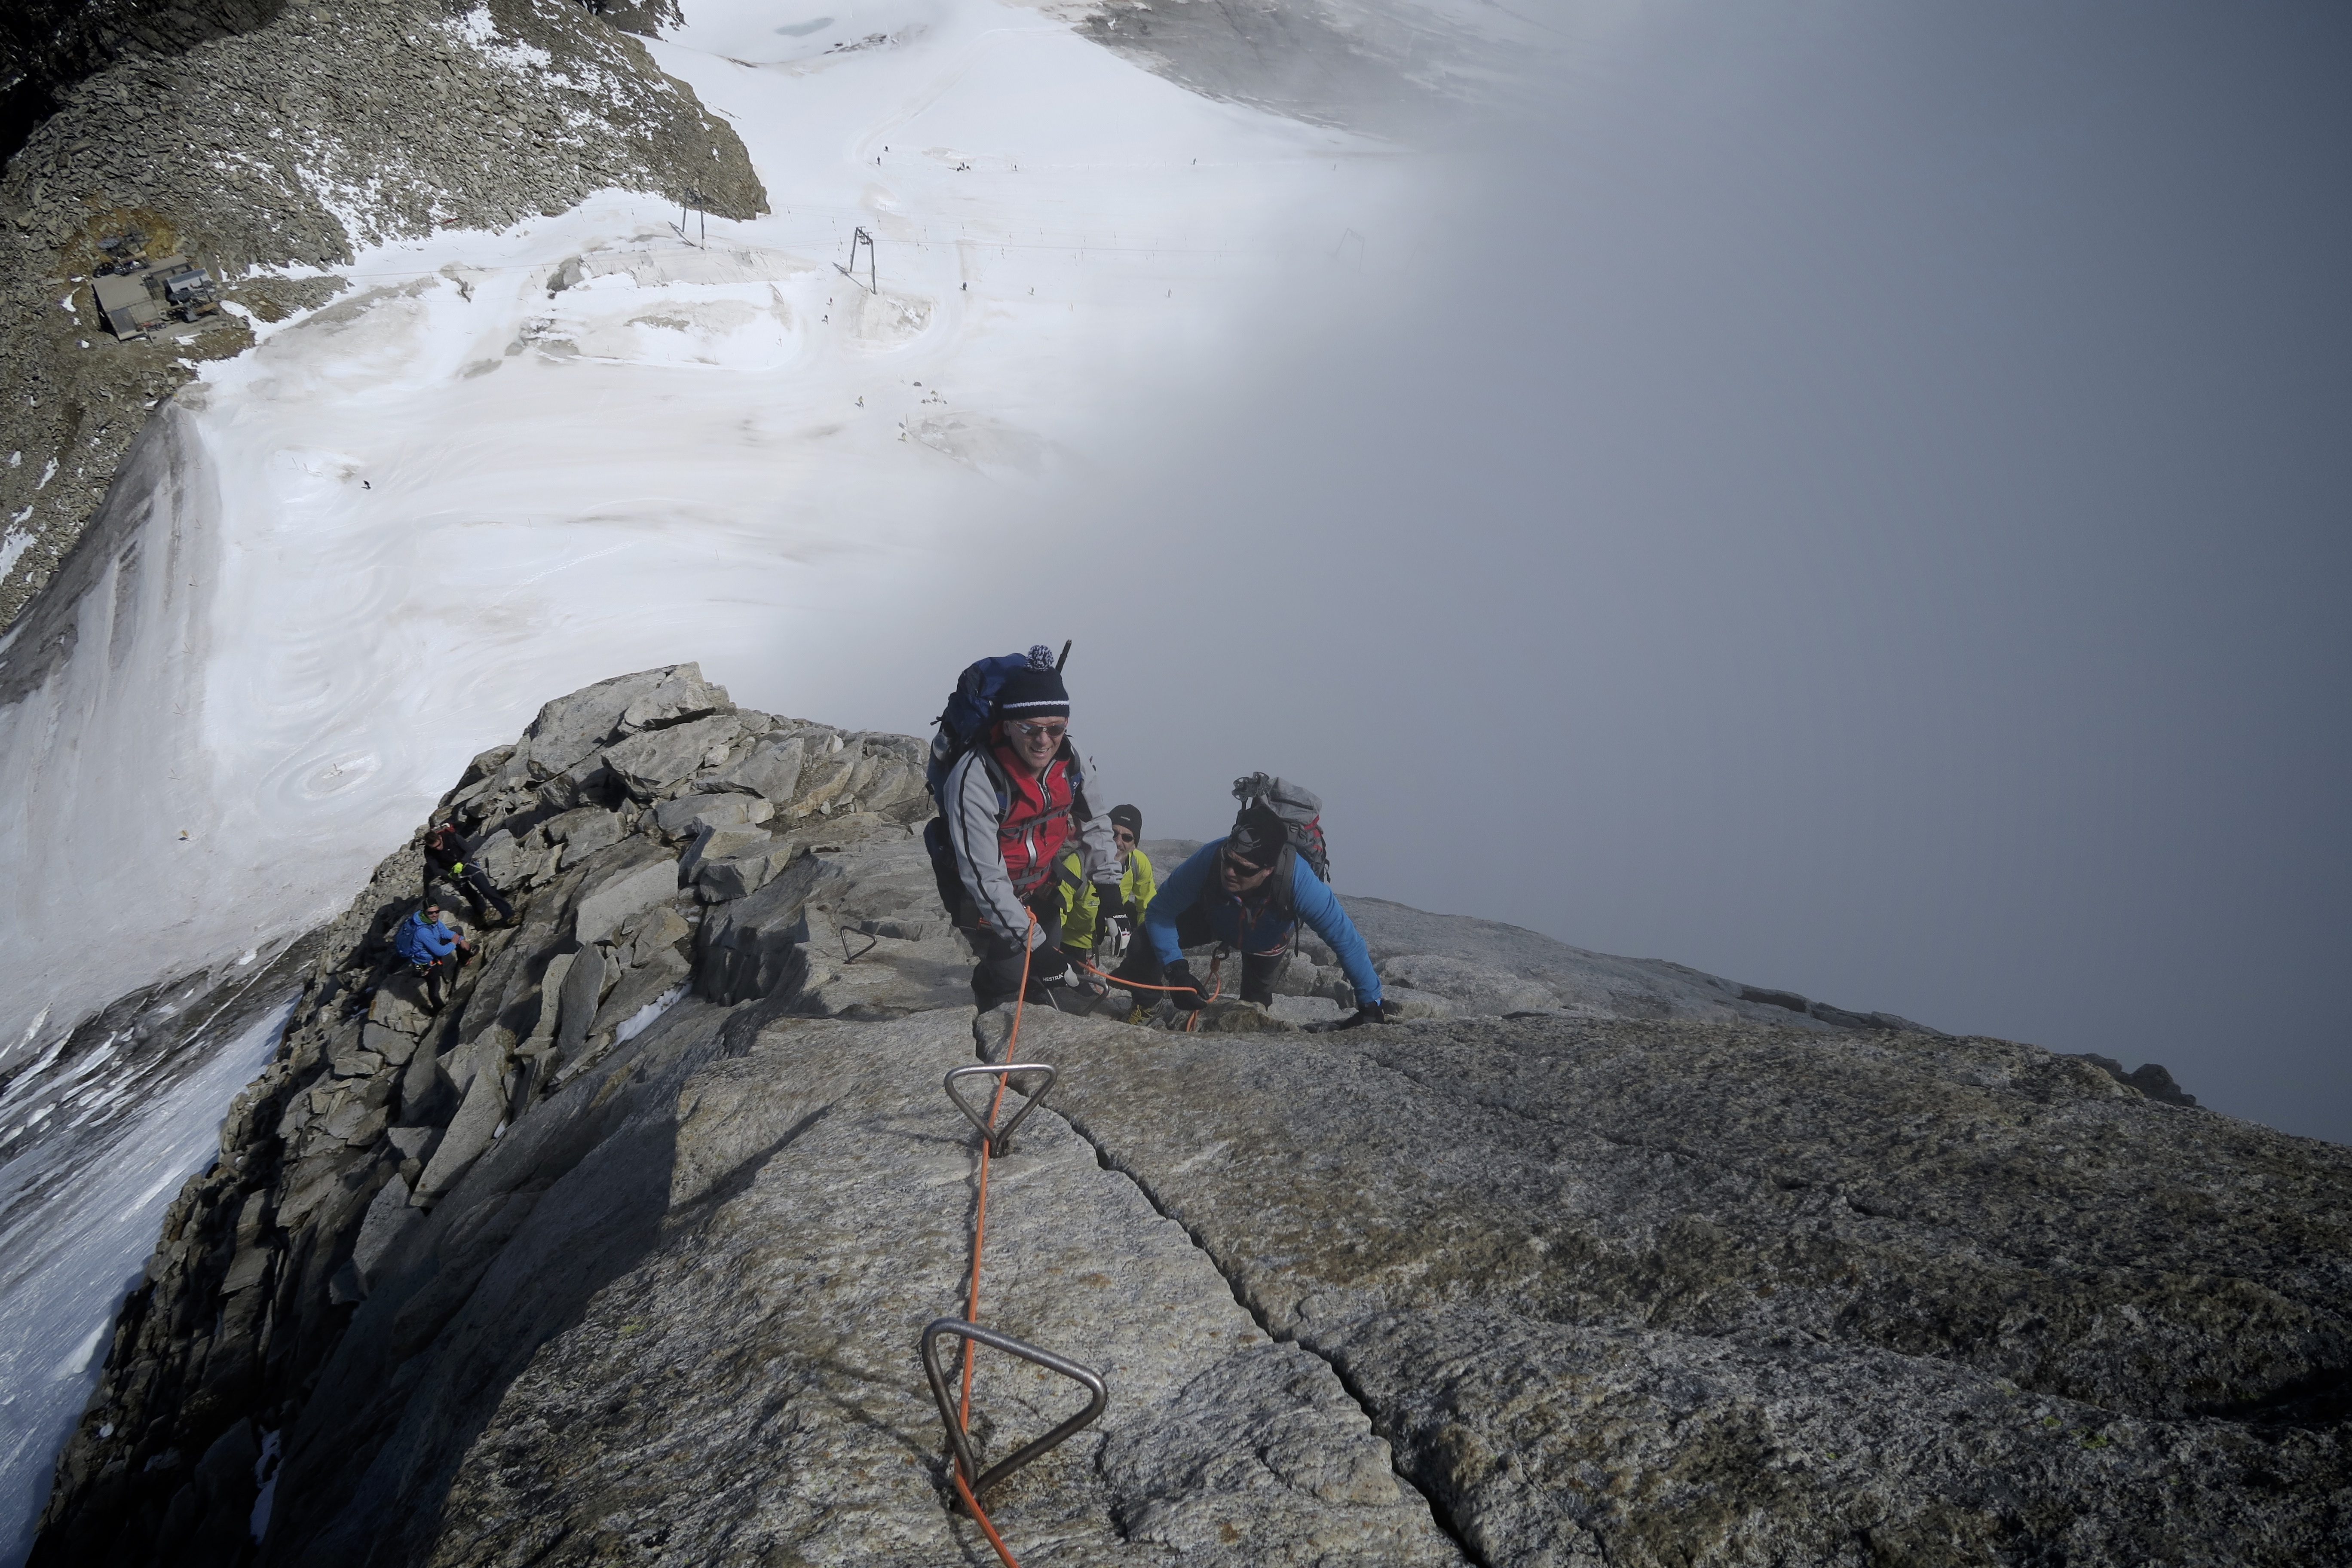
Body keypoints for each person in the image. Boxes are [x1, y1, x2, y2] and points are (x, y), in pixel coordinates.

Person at [940, 658, 1124, 1010]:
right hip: (987, 897)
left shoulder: (1071, 759)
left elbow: (1097, 821)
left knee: (1045, 965)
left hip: (1041, 884)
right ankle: (993, 994)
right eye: (1030, 728)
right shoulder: (976, 778)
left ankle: (1033, 988)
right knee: (1017, 976)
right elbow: (985, 880)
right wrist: (1035, 948)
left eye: (1055, 728)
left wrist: (1112, 897)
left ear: (1066, 724)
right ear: (1008, 726)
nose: (1043, 741)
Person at [1129, 801, 1392, 1028]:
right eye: (1228, 861)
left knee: (1253, 1007)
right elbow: (1160, 912)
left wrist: (1371, 1005)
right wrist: (1177, 972)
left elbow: (1345, 940)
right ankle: (1148, 1006)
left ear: (1268, 870)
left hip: (1265, 940)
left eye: (1243, 869)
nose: (1230, 872)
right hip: (1214, 918)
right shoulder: (1210, 858)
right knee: (1143, 941)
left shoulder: (1300, 883)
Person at [1057, 804, 1155, 974]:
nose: (1118, 842)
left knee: (1150, 929)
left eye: (1127, 838)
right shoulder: (1076, 865)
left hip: (1110, 926)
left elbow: (1148, 907)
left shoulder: (1139, 863)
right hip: (1070, 941)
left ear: (1134, 845)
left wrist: (1147, 944)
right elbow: (1056, 916)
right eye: (1113, 833)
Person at [424, 820, 515, 926]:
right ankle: (483, 912)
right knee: (470, 895)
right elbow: (435, 868)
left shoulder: (452, 837)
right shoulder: (428, 851)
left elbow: (470, 850)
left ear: (440, 838)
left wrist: (462, 863)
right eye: (435, 848)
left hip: (467, 865)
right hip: (452, 873)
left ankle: (509, 914)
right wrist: (448, 875)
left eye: (439, 845)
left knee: (487, 890)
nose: (438, 848)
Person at [393, 903, 472, 1013]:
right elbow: (441, 951)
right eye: (431, 913)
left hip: (431, 952)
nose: (435, 915)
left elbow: (444, 932)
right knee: (434, 987)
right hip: (425, 962)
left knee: (457, 931)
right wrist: (454, 943)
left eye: (437, 912)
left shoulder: (430, 921)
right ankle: (439, 1010)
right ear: (425, 912)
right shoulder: (423, 932)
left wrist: (461, 939)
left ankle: (465, 958)